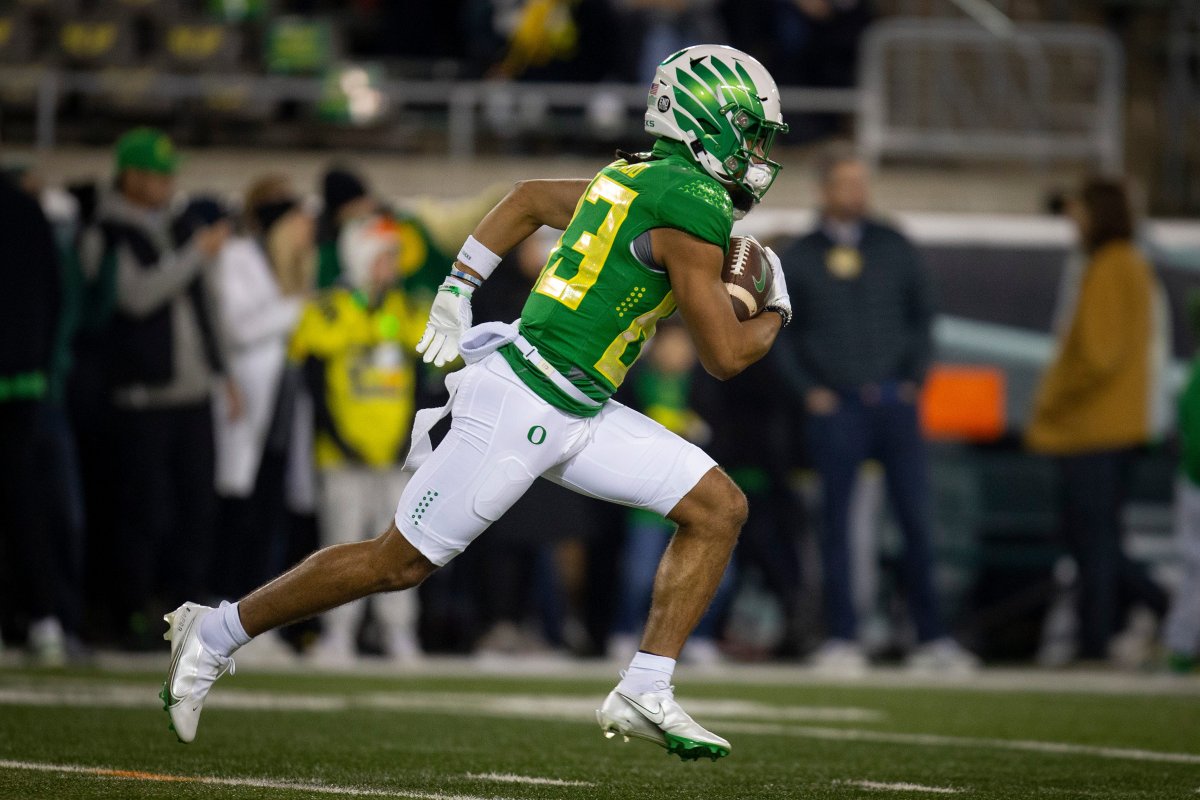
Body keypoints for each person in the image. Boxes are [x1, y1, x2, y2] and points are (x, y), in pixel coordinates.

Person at [161, 44, 791, 761]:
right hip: (525, 400)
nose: (757, 151)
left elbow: (524, 198)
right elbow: (727, 354)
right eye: (749, 130)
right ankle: (211, 634)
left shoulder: (638, 175)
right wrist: (776, 306)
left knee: (718, 508)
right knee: (395, 563)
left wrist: (460, 282)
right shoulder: (692, 199)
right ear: (707, 123)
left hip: (574, 405)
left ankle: (645, 685)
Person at [775, 145, 976, 674]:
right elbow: (778, 331)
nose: (856, 193)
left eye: (861, 183)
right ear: (825, 190)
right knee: (836, 526)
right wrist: (808, 391)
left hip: (894, 405)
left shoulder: (894, 245)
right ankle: (842, 637)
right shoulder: (799, 254)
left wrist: (913, 380)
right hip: (836, 408)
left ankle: (931, 638)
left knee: (916, 521)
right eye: (846, 183)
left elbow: (923, 316)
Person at [81, 128, 234, 647]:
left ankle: (184, 611)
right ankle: (131, 612)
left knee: (195, 508)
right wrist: (193, 254)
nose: (168, 184)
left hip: (193, 396)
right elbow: (137, 297)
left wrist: (223, 372)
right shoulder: (105, 231)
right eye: (158, 175)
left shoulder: (178, 226)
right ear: (131, 177)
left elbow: (204, 305)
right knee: (140, 512)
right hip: (140, 397)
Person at [1027, 177, 1170, 664]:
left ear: (1099, 214)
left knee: (1093, 541)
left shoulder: (1112, 266)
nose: (1074, 221)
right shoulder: (1126, 263)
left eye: (1081, 211)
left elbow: (1098, 356)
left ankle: (1105, 635)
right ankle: (1136, 618)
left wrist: (1052, 399)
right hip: (1110, 425)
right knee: (1095, 538)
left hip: (1096, 427)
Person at [290, 215, 427, 664]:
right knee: (342, 545)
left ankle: (399, 632)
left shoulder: (405, 310)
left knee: (401, 544)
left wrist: (406, 438)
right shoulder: (328, 309)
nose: (394, 266)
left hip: (394, 454)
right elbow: (313, 383)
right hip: (342, 453)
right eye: (385, 256)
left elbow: (420, 379)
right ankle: (338, 634)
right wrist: (340, 439)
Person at [1164, 292, 1200, 674]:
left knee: (1194, 566)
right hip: (1194, 481)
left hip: (1194, 483)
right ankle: (1181, 645)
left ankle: (1181, 645)